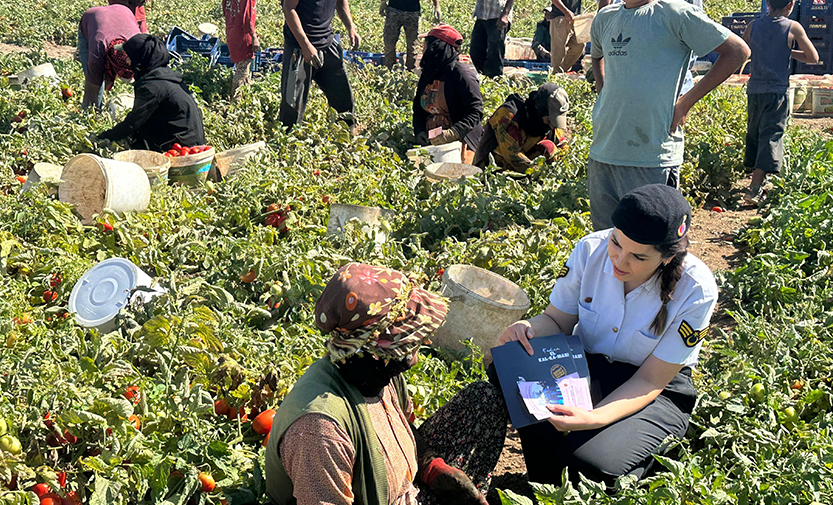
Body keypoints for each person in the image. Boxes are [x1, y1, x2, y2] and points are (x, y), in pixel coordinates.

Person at [493, 184, 717, 486]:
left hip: (654, 389)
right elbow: (557, 321)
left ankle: (644, 461)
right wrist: (530, 328)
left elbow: (651, 380)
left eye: (638, 257)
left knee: (589, 465)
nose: (620, 261)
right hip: (588, 367)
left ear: (665, 257)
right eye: (616, 243)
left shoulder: (696, 288)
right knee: (508, 367)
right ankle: (544, 479)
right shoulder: (590, 250)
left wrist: (595, 418)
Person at [265, 263, 507, 505]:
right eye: (408, 343)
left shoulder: (374, 373)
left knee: (482, 399)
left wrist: (433, 468)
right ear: (373, 350)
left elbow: (403, 428)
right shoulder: (320, 431)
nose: (415, 356)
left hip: (406, 491)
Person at [587, 0, 750, 231]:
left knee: (652, 244)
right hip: (604, 151)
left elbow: (738, 51)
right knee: (607, 242)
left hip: (651, 155)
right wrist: (603, 91)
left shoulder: (675, 14)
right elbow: (597, 55)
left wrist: (685, 103)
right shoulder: (605, 17)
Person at [742, 0, 818, 206]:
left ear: (768, 3)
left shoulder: (753, 25)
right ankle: (754, 189)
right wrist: (788, 51)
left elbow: (743, 49)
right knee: (771, 134)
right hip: (776, 91)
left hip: (755, 89)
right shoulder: (792, 27)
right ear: (790, 5)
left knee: (755, 131)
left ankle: (757, 175)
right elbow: (813, 57)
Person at [97, 34, 206, 152]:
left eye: (129, 57)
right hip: (193, 141)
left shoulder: (152, 86)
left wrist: (103, 137)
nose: (127, 61)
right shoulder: (167, 76)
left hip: (180, 148)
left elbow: (133, 122)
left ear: (140, 59)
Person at [280, 0, 361, 128]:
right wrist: (305, 45)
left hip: (327, 43)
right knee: (292, 107)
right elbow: (288, 8)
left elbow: (341, 2)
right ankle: (289, 141)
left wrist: (351, 27)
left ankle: (346, 137)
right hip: (299, 48)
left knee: (343, 99)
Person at [413, 24, 484, 165]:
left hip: (460, 142)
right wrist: (420, 130)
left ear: (436, 47)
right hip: (433, 140)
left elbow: (475, 112)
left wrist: (453, 133)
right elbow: (418, 107)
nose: (423, 48)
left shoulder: (461, 75)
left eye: (426, 44)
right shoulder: (429, 72)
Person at [473, 82, 570, 173]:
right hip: (496, 169)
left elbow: (563, 146)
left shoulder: (546, 122)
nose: (552, 126)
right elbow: (514, 157)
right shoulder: (508, 115)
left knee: (549, 147)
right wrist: (541, 174)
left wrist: (563, 169)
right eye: (549, 120)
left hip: (527, 164)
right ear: (540, 108)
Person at [78, 4, 141, 110]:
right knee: (95, 76)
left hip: (123, 11)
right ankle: (97, 109)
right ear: (113, 64)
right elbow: (91, 92)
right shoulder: (97, 52)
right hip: (91, 19)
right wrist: (89, 116)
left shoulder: (139, 46)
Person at [380, 0, 441, 71]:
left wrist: (437, 6)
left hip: (413, 12)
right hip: (394, 9)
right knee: (389, 43)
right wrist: (383, 2)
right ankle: (390, 69)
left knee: (412, 46)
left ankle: (410, 71)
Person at [223, 0, 262, 101]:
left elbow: (225, 11)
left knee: (240, 66)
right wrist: (253, 36)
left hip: (232, 31)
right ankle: (237, 99)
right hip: (243, 34)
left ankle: (242, 95)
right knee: (243, 69)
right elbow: (248, 18)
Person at [470, 0, 514, 78]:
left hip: (498, 16)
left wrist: (505, 14)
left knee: (494, 52)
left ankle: (494, 79)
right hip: (481, 15)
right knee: (475, 51)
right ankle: (485, 77)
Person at [549, 0, 584, 73]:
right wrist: (566, 11)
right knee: (559, 50)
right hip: (560, 17)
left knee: (580, 45)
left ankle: (562, 71)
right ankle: (556, 75)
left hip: (576, 18)